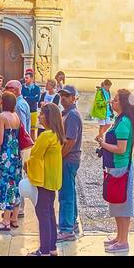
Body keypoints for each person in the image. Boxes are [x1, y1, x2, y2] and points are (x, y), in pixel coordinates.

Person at [97, 87, 134, 252]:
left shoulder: (124, 122)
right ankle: (118, 236)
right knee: (116, 203)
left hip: (121, 167)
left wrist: (103, 144)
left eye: (115, 100)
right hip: (115, 166)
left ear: (122, 103)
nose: (111, 102)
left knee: (123, 204)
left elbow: (121, 149)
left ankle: (124, 241)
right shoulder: (119, 119)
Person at [26, 101, 64, 256]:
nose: (39, 116)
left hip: (44, 179)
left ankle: (44, 250)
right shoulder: (56, 133)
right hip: (52, 179)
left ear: (48, 117)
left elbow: (35, 157)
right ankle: (52, 247)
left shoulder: (46, 135)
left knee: (43, 215)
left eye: (42, 113)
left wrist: (26, 166)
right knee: (49, 213)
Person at [57, 84, 84, 241]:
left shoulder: (72, 115)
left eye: (67, 96)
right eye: (62, 95)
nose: (63, 98)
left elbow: (70, 140)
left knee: (65, 194)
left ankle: (66, 229)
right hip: (69, 158)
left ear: (74, 98)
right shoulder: (67, 113)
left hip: (68, 158)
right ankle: (71, 222)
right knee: (70, 191)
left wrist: (60, 156)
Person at [0, 90, 23, 231]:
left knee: (5, 183)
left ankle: (5, 221)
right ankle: (14, 217)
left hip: (6, 154)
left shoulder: (2, 116)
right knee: (15, 183)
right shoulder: (15, 115)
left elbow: (0, 140)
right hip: (16, 153)